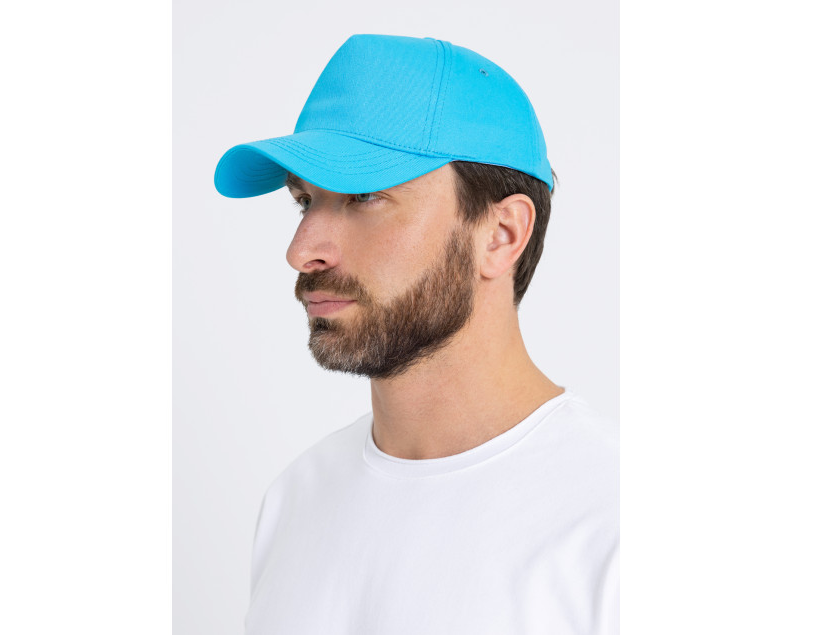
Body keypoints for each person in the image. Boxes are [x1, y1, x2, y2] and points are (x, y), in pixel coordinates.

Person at [214, 34, 618, 635]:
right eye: (305, 201)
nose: (302, 252)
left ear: (501, 234)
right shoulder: (295, 501)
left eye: (364, 196)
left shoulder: (612, 520)